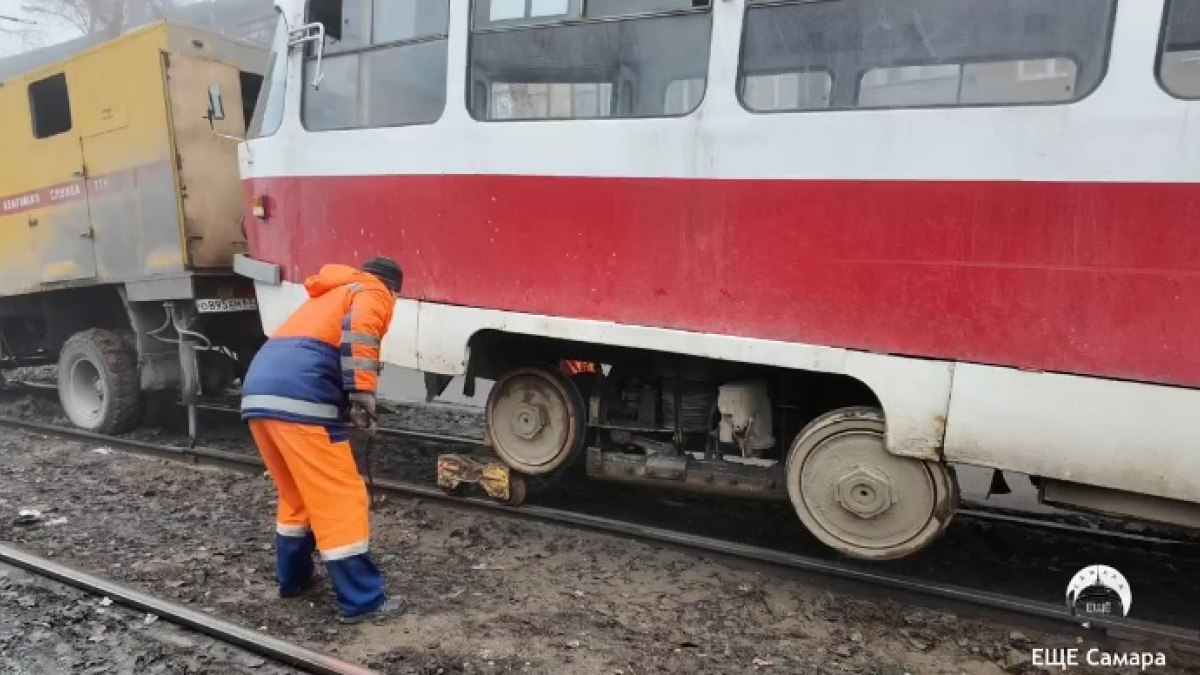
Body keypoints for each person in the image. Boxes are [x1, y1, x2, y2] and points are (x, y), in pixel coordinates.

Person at [240, 256, 404, 623]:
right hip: (301, 399)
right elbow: (361, 333)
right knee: (340, 497)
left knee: (296, 494)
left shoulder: (328, 294)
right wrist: (363, 395)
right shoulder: (373, 291)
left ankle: (293, 580)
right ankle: (362, 600)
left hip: (257, 394)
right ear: (394, 289)